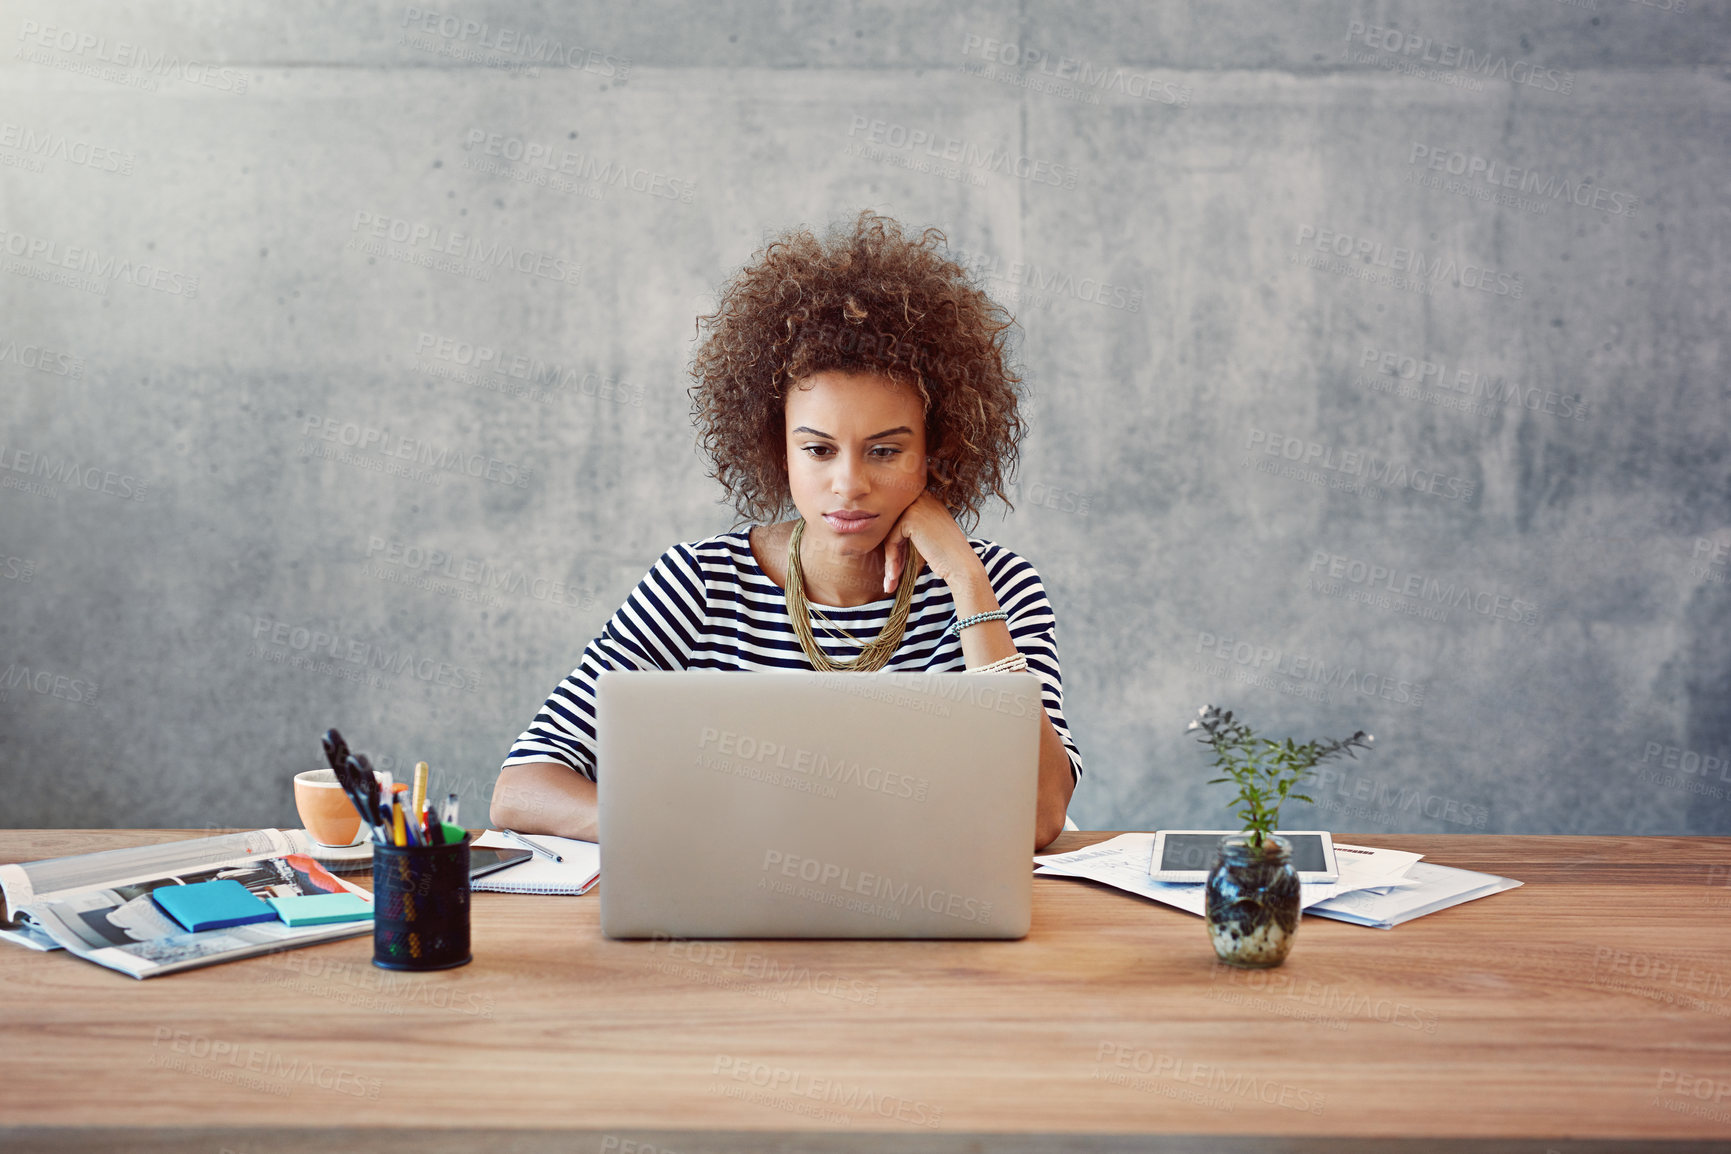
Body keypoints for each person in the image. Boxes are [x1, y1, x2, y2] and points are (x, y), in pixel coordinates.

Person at [492, 211, 1082, 849]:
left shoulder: (997, 585)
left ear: (936, 451)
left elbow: (1040, 815)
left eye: (885, 451)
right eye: (819, 450)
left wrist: (968, 580)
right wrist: (693, 834)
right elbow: (522, 788)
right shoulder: (698, 583)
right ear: (778, 450)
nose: (849, 483)